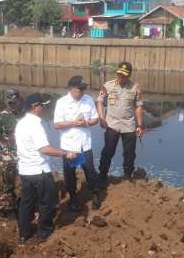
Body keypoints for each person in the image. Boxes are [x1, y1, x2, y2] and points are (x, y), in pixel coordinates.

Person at [15, 93, 76, 244]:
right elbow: (45, 149)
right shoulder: (35, 125)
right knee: (46, 202)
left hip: (25, 170)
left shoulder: (20, 123)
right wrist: (65, 153)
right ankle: (44, 232)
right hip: (39, 170)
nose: (43, 107)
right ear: (34, 107)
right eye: (41, 105)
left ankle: (23, 233)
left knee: (26, 203)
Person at [54, 76, 101, 211]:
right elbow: (57, 124)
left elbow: (95, 119)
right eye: (80, 89)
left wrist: (86, 123)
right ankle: (73, 197)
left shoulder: (88, 100)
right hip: (69, 146)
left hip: (85, 144)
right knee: (69, 174)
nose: (83, 91)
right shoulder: (61, 102)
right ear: (71, 89)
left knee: (90, 170)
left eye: (84, 88)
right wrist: (74, 122)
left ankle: (95, 193)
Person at [96, 61, 145, 184]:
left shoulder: (135, 87)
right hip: (111, 124)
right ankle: (102, 175)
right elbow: (100, 101)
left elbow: (138, 107)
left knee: (129, 154)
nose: (121, 77)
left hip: (129, 125)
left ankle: (127, 176)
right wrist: (101, 118)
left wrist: (140, 125)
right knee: (108, 151)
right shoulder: (108, 86)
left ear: (129, 75)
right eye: (119, 74)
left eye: (124, 75)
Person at [0, 89, 22, 213]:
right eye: (10, 102)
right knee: (7, 182)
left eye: (15, 102)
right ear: (6, 102)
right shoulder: (1, 117)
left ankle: (22, 204)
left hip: (22, 155)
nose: (13, 105)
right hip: (6, 156)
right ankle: (8, 206)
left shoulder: (23, 116)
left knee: (25, 182)